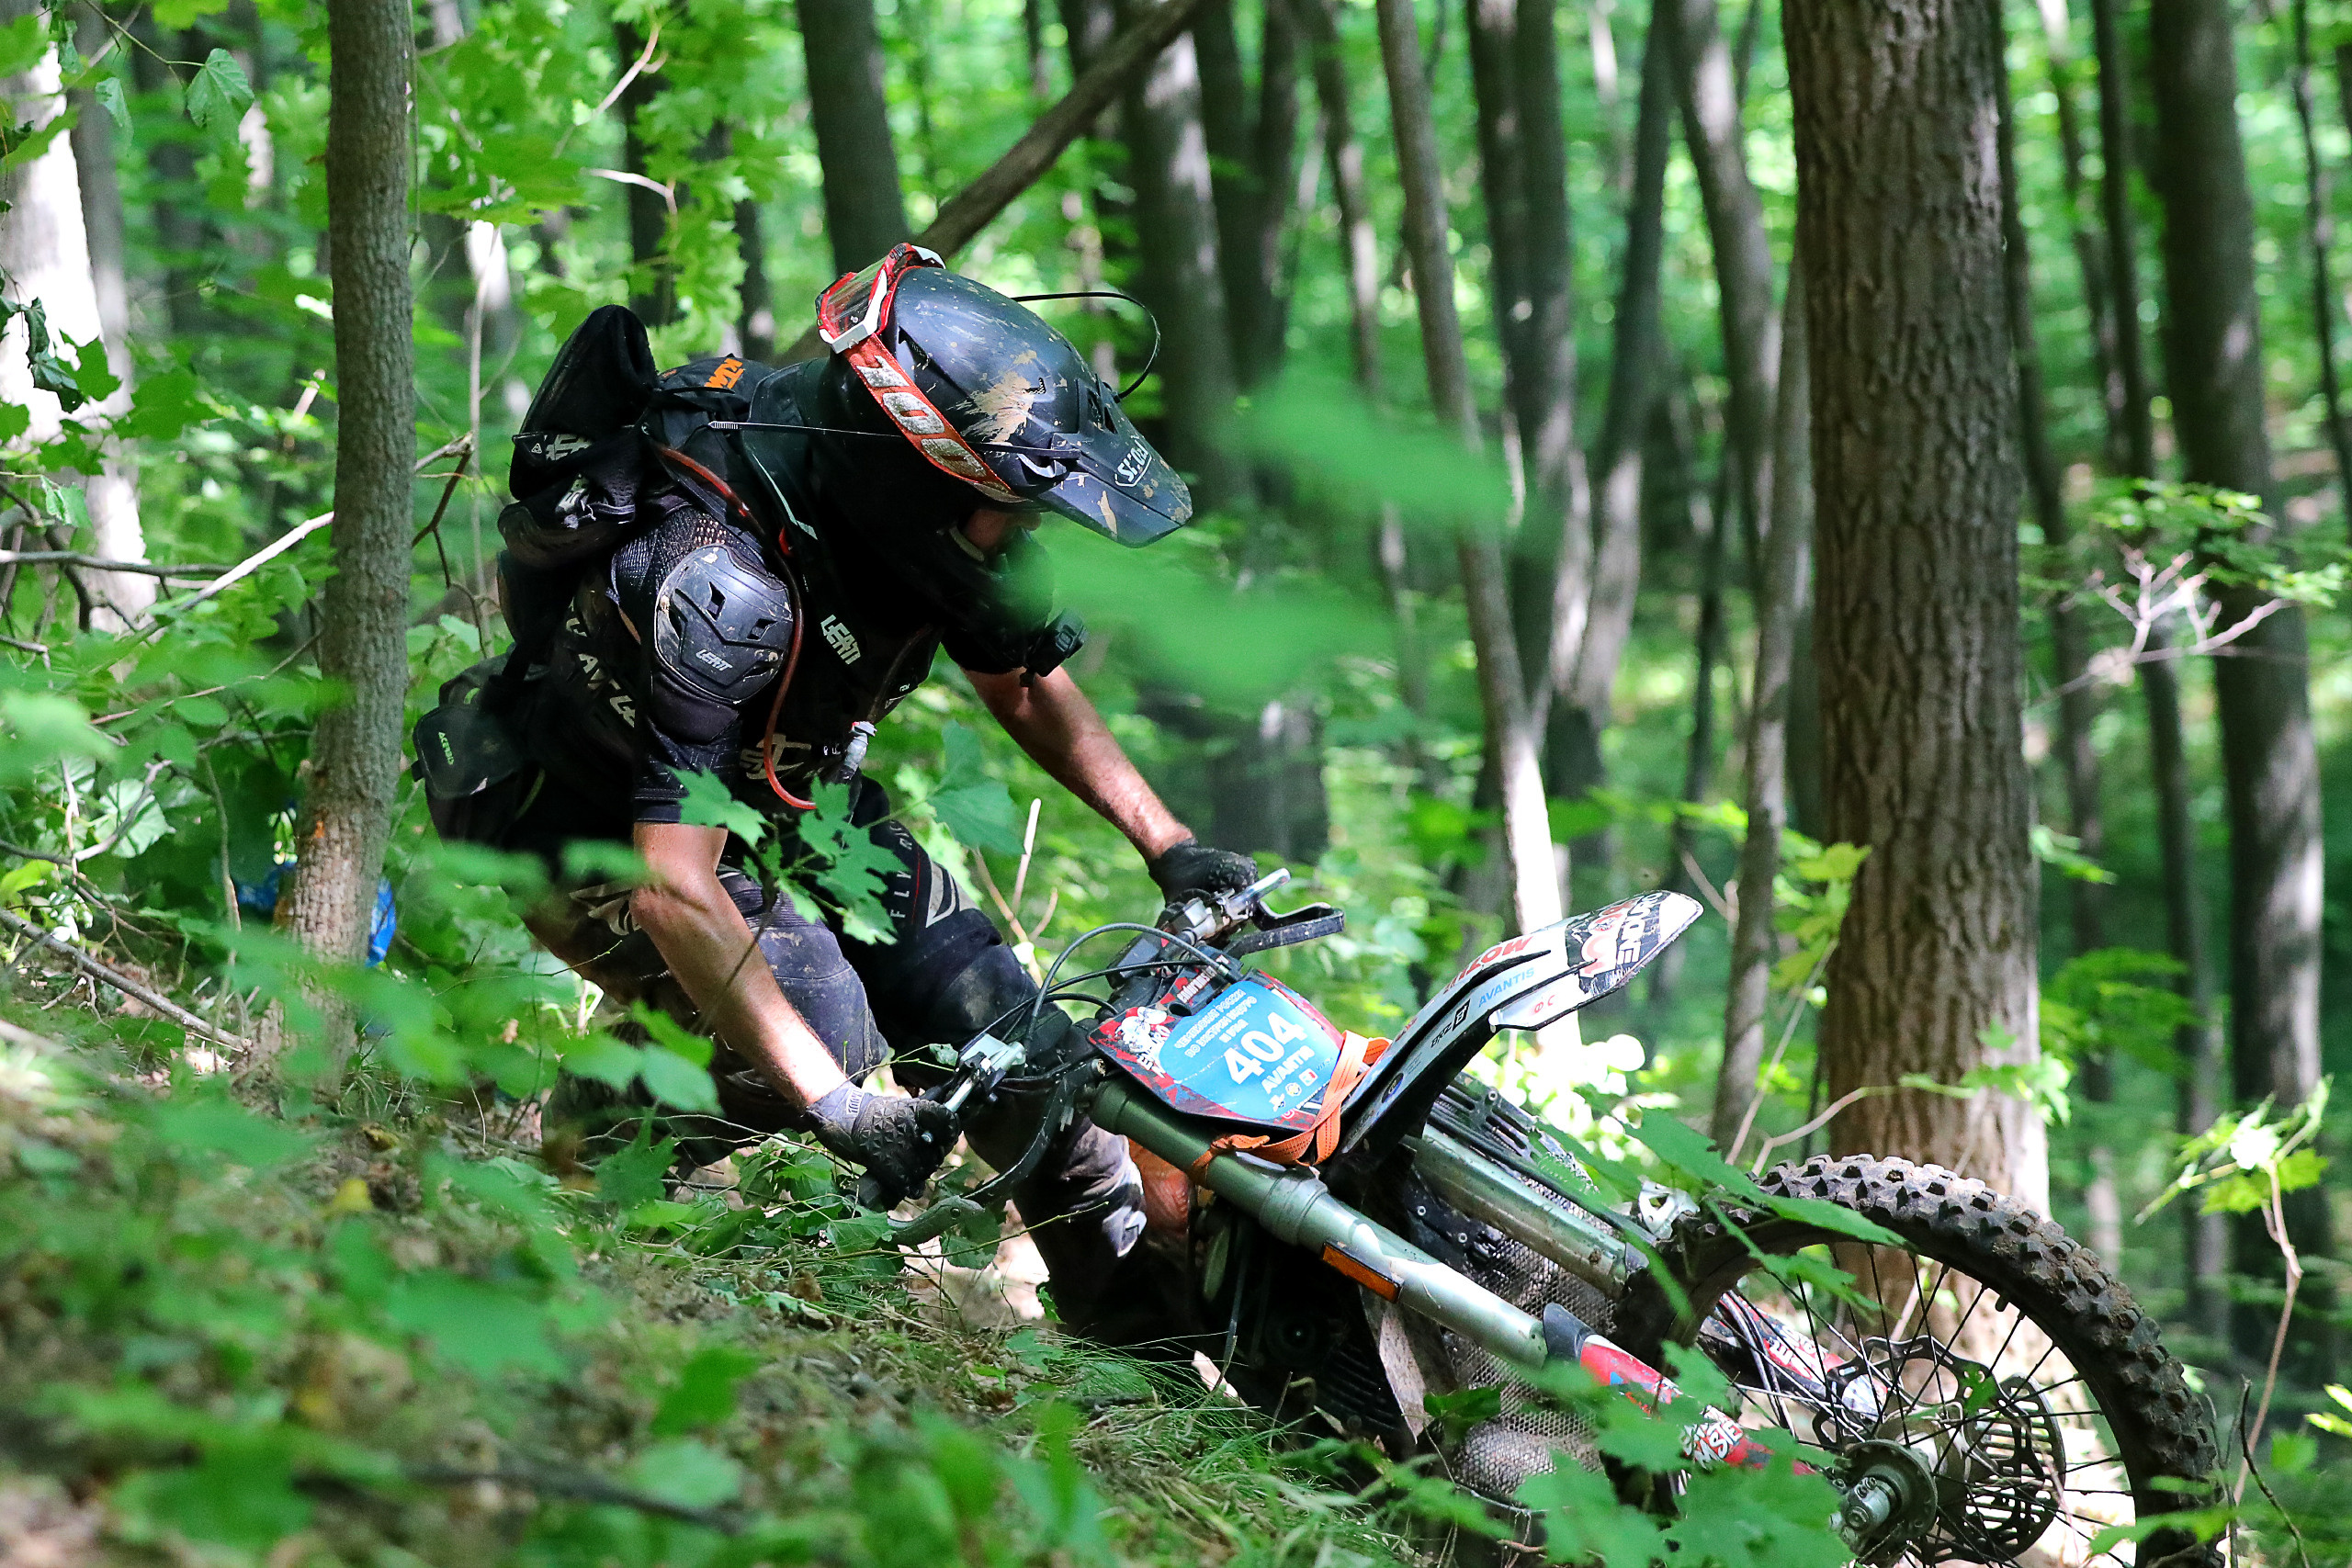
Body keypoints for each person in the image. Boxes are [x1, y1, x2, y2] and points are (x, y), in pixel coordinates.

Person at [445, 244, 1260, 1337]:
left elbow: (1022, 684)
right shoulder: (721, 589)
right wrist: (833, 1101)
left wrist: (1168, 844)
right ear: (914, 482)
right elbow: (671, 889)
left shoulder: (927, 538)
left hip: (786, 792)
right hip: (581, 817)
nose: (1018, 538)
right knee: (815, 1033)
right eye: (1003, 514)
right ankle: (577, 1158)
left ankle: (1142, 1350)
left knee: (1012, 1038)